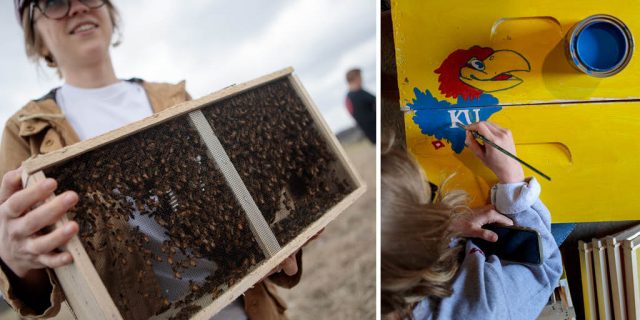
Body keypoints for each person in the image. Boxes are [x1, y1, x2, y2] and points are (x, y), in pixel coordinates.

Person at [1, 1, 301, 319]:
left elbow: (232, 202)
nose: (77, 7)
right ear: (35, 33)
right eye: (54, 2)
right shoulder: (23, 132)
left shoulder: (174, 97)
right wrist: (14, 259)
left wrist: (282, 234)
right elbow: (35, 281)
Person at [381, 121, 562, 319]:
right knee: (564, 222)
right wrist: (514, 181)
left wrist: (448, 227)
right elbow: (548, 269)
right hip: (511, 277)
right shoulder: (485, 309)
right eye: (426, 203)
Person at [345, 68, 376, 144]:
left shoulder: (359, 93)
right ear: (356, 78)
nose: (362, 79)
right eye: (360, 77)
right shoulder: (355, 96)